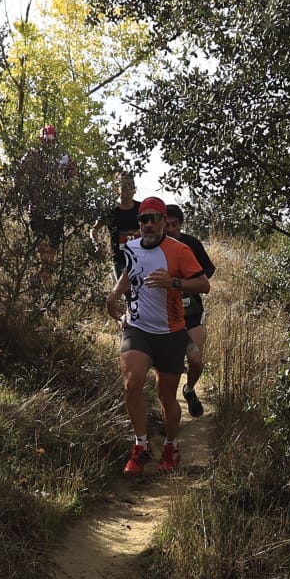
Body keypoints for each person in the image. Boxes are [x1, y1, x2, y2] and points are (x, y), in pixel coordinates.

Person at [105, 196, 209, 473]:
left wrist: (173, 283)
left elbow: (203, 284)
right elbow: (130, 272)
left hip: (171, 332)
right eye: (144, 219)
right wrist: (115, 294)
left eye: (154, 219)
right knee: (132, 383)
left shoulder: (180, 250)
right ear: (138, 223)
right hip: (138, 328)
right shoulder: (131, 246)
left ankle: (171, 447)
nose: (149, 224)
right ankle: (140, 445)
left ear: (164, 221)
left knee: (166, 397)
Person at [14, 124, 79, 302]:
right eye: (45, 139)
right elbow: (18, 175)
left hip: (57, 213)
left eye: (51, 140)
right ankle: (33, 288)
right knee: (39, 250)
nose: (48, 143)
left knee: (51, 254)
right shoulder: (32, 155)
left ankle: (46, 289)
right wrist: (25, 193)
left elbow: (75, 180)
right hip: (37, 210)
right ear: (40, 139)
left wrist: (66, 186)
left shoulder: (65, 158)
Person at [163, 205, 216, 417]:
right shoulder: (155, 245)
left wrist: (190, 284)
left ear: (181, 224)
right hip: (166, 314)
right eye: (167, 225)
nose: (171, 229)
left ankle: (190, 389)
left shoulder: (191, 243)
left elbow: (208, 268)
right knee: (170, 365)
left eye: (174, 224)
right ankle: (165, 411)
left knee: (195, 360)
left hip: (192, 312)